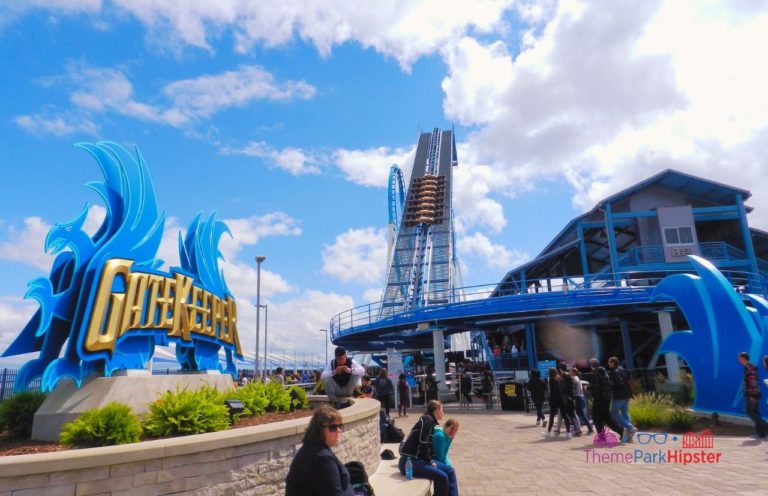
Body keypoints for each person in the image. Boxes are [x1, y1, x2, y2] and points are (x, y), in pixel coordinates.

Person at [285, 403, 354, 496]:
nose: (338, 430)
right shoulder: (321, 458)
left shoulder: (314, 448)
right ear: (319, 430)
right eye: (333, 427)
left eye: (339, 426)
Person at [399, 400, 458, 496]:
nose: (443, 412)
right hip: (409, 462)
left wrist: (430, 460)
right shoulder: (427, 420)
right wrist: (429, 462)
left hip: (419, 460)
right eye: (442, 409)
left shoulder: (429, 421)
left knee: (450, 471)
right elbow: (423, 442)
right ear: (436, 409)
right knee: (442, 477)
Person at [588, 358, 623, 442]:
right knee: (607, 417)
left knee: (596, 417)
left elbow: (596, 387)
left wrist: (587, 387)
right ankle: (621, 431)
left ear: (592, 366)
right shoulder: (605, 373)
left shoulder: (595, 373)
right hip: (607, 398)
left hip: (599, 398)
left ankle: (602, 437)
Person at [607, 357, 637, 442]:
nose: (608, 364)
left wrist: (611, 387)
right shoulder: (622, 369)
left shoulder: (614, 371)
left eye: (609, 362)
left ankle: (630, 428)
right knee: (625, 413)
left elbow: (618, 383)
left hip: (619, 396)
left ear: (613, 363)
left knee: (614, 412)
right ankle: (628, 436)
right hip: (627, 394)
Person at [739, 352, 767, 439]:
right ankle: (761, 433)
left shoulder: (748, 368)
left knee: (749, 411)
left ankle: (765, 425)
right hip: (756, 393)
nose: (739, 360)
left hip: (751, 394)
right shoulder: (752, 367)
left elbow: (752, 382)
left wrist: (752, 395)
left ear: (743, 358)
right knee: (756, 412)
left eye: (740, 358)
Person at [543, 367, 572, 439]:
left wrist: (551, 400)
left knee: (552, 415)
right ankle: (568, 432)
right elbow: (564, 389)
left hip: (554, 399)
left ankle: (549, 432)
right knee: (565, 415)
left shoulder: (551, 379)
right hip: (562, 399)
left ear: (550, 372)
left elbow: (552, 391)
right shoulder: (560, 378)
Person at [570, 367, 594, 434]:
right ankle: (577, 428)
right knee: (577, 414)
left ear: (574, 372)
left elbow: (576, 381)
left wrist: (570, 377)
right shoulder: (576, 377)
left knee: (580, 414)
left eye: (571, 372)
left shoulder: (576, 377)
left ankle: (589, 427)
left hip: (579, 398)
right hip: (579, 397)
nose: (570, 373)